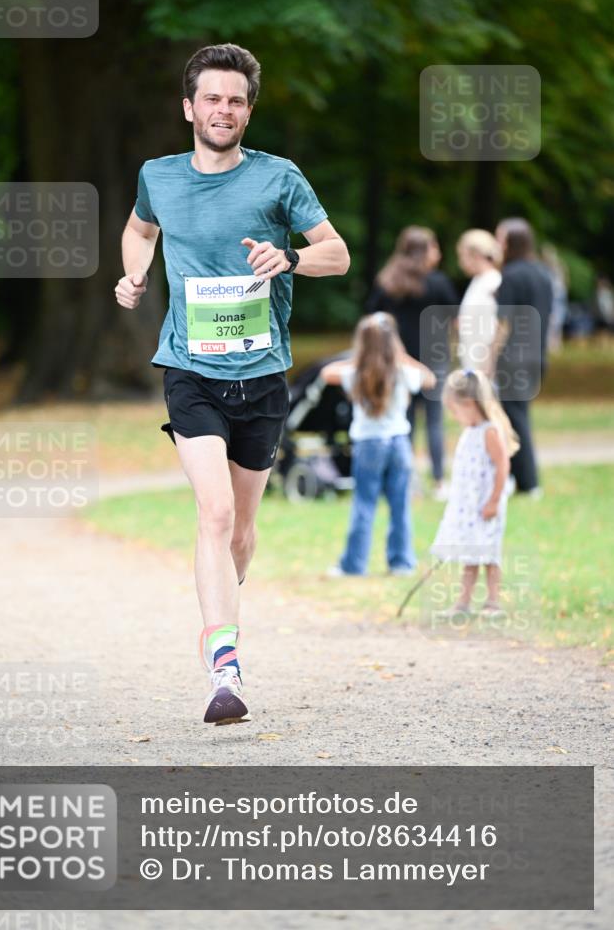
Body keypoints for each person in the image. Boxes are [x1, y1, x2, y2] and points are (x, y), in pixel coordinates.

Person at [115, 43, 349, 725]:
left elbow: (336, 253)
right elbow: (139, 230)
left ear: (248, 111)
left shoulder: (278, 179)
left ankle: (224, 597)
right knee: (212, 514)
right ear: (189, 107)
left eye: (236, 100)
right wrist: (135, 272)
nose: (224, 110)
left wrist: (292, 257)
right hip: (190, 369)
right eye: (212, 98)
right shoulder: (158, 176)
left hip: (263, 374)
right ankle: (225, 665)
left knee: (240, 530)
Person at [321, 313, 436, 576]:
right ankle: (401, 563)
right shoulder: (402, 372)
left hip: (368, 444)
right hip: (398, 443)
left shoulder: (355, 372)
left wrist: (358, 358)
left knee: (364, 504)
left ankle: (354, 565)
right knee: (400, 505)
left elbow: (327, 373)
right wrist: (402, 356)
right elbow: (429, 379)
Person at [365, 226, 458, 501]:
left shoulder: (387, 282)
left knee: (402, 422)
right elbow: (454, 319)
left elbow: (374, 320)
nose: (438, 254)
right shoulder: (438, 283)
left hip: (398, 361)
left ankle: (404, 480)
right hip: (434, 361)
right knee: (434, 422)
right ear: (424, 251)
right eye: (434, 247)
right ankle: (440, 481)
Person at [431, 369, 519, 620]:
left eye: (454, 409)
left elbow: (503, 466)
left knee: (489, 554)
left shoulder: (489, 432)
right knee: (470, 555)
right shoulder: (469, 431)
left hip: (486, 507)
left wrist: (493, 501)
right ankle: (463, 602)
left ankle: (493, 602)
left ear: (469, 404)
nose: (453, 416)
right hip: (469, 508)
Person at [493, 218, 553, 496]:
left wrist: (490, 358)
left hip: (513, 357)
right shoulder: (544, 274)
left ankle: (529, 483)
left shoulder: (512, 275)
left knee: (515, 419)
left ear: (509, 243)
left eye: (500, 239)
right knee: (516, 415)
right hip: (537, 355)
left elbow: (503, 324)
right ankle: (517, 478)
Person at [456, 229, 503, 377]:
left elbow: (500, 325)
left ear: (475, 255)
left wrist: (490, 361)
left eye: (462, 256)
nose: (460, 262)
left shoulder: (494, 282)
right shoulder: (478, 281)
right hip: (473, 361)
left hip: (485, 364)